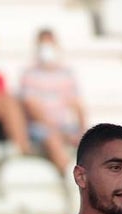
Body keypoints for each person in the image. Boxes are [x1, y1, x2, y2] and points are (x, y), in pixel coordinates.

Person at [19, 29, 85, 173]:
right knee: (52, 138)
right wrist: (53, 127)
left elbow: (76, 103)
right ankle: (70, 176)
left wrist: (82, 129)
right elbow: (31, 106)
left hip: (64, 125)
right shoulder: (29, 74)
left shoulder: (66, 73)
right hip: (40, 127)